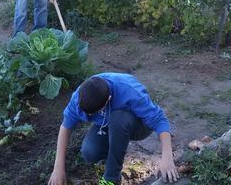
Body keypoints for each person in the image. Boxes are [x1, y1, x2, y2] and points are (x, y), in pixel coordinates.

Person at [48, 73, 178, 185]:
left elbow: (160, 120)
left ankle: (111, 179)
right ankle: (114, 154)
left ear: (108, 100)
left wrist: (167, 157)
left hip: (138, 125)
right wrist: (58, 168)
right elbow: (65, 127)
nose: (89, 117)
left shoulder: (129, 91)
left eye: (94, 113)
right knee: (89, 152)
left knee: (118, 119)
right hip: (108, 123)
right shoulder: (79, 96)